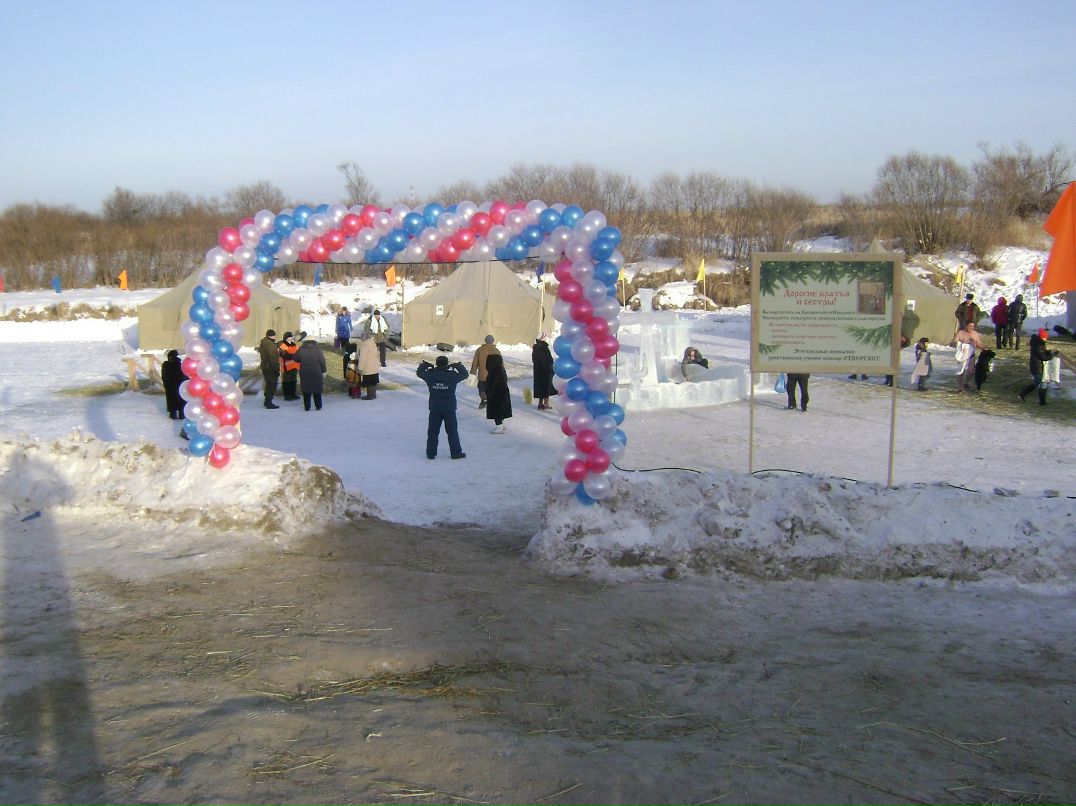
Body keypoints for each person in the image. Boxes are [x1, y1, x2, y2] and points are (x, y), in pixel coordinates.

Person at [417, 355, 468, 460]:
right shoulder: (452, 375)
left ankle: (431, 453)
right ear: (446, 364)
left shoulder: (430, 375)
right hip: (449, 408)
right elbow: (465, 374)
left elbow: (419, 372)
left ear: (436, 363)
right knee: (452, 431)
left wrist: (425, 365)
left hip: (435, 408)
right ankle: (456, 452)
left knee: (433, 432)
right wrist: (458, 366)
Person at [1018, 329, 1056, 406]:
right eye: (1045, 337)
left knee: (1038, 383)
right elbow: (1043, 357)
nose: (1046, 339)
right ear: (1042, 337)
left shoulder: (1038, 343)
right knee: (1042, 383)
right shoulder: (1038, 345)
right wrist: (1052, 356)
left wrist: (1048, 352)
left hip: (1036, 366)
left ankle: (1023, 395)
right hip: (1037, 367)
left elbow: (1042, 352)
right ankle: (1041, 402)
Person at [484, 352, 512, 433]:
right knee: (501, 410)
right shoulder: (501, 370)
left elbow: (492, 385)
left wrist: (489, 393)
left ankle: (499, 426)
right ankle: (500, 425)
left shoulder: (493, 373)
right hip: (502, 393)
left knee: (496, 411)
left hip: (496, 395)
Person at [470, 335, 501, 409]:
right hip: (493, 375)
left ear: (485, 340)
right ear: (493, 341)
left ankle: (484, 399)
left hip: (482, 375)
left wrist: (473, 373)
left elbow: (475, 362)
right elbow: (500, 364)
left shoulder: (480, 350)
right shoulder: (496, 351)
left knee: (481, 387)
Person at [297, 336, 326, 411]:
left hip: (305, 372)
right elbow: (322, 361)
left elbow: (296, 358)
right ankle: (318, 406)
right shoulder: (318, 350)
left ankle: (307, 407)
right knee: (317, 389)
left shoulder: (301, 349)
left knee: (306, 390)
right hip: (316, 372)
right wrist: (324, 371)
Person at [954, 321, 984, 392]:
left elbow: (978, 343)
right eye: (970, 326)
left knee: (971, 371)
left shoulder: (974, 333)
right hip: (962, 355)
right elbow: (954, 341)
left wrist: (984, 349)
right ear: (966, 325)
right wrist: (961, 344)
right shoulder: (961, 332)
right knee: (961, 371)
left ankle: (965, 382)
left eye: (973, 326)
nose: (972, 328)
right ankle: (960, 387)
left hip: (971, 354)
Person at [532, 333, 557, 409]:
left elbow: (534, 360)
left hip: (538, 371)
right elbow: (547, 360)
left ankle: (540, 403)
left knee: (540, 387)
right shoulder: (544, 347)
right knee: (547, 387)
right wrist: (551, 367)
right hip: (546, 371)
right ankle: (546, 403)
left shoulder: (535, 347)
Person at [161, 349, 187, 420]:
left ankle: (174, 414)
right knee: (179, 400)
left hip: (170, 385)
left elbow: (164, 376)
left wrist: (166, 383)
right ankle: (180, 414)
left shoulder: (166, 364)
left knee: (172, 400)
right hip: (177, 385)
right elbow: (184, 375)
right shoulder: (179, 364)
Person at [258, 329, 280, 409]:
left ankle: (267, 402)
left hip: (266, 367)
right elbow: (273, 358)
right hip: (270, 368)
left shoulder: (265, 342)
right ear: (272, 336)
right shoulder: (270, 345)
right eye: (274, 335)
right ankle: (268, 403)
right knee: (272, 385)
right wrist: (276, 369)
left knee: (269, 384)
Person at [357, 333, 380, 400]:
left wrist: (360, 368)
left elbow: (362, 358)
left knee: (369, 382)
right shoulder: (372, 343)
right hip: (375, 366)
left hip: (368, 367)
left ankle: (369, 396)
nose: (361, 339)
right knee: (373, 382)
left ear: (365, 338)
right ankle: (373, 395)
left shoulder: (365, 345)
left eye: (362, 337)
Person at [278, 332, 300, 400]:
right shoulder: (283, 345)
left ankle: (293, 394)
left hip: (294, 366)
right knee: (287, 381)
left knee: (293, 381)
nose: (291, 338)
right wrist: (294, 356)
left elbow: (298, 352)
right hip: (286, 367)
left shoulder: (294, 345)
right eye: (289, 337)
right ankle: (287, 396)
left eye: (291, 337)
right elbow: (284, 355)